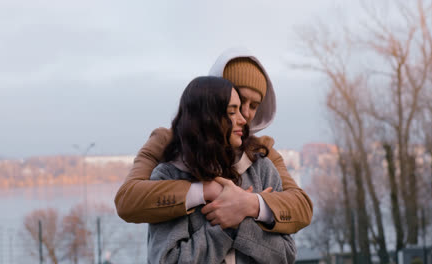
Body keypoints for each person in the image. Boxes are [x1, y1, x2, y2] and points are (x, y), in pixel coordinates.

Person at [115, 48, 312, 234]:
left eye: (254, 106)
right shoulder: (166, 141)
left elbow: (302, 207)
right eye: (239, 101)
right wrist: (204, 191)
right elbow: (127, 200)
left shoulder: (261, 150)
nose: (245, 113)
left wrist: (251, 203)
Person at [147, 76, 296, 263]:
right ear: (206, 118)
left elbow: (287, 256)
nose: (243, 119)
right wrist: (226, 227)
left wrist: (244, 212)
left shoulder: (262, 169)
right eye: (232, 112)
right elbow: (167, 260)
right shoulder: (169, 176)